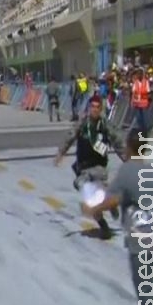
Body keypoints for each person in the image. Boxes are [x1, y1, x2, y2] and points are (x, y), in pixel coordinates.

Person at [81, 131, 153, 305]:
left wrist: (91, 209)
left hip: (142, 239)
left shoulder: (127, 170)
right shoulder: (150, 171)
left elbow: (112, 200)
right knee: (147, 287)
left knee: (144, 291)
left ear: (129, 148)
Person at [54, 96, 125, 239]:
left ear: (101, 109)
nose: (94, 110)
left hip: (99, 168)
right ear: (88, 108)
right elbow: (69, 137)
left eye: (97, 107)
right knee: (89, 197)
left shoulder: (105, 125)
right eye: (92, 106)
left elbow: (117, 143)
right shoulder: (82, 124)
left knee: (99, 193)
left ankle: (110, 203)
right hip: (83, 168)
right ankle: (104, 225)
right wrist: (61, 153)